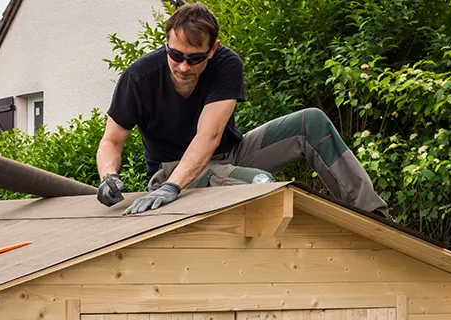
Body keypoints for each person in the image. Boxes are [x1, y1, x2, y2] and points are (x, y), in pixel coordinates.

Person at [95, 1, 390, 218]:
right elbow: (112, 140)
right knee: (259, 184)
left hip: (227, 154)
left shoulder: (226, 64)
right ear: (166, 43)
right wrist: (109, 176)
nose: (184, 66)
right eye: (176, 55)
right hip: (171, 170)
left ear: (212, 49)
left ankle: (376, 217)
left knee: (311, 122)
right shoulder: (138, 77)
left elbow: (208, 137)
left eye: (195, 59)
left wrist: (175, 187)